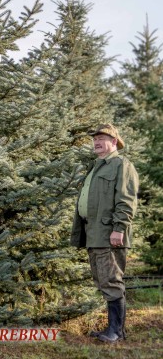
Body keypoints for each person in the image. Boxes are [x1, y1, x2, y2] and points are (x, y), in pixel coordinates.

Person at [70, 123, 139, 343]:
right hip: (94, 232)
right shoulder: (97, 166)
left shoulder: (121, 165)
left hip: (110, 234)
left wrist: (119, 228)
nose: (97, 142)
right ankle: (112, 329)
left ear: (114, 142)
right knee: (102, 280)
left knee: (111, 280)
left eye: (102, 138)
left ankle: (116, 332)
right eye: (95, 139)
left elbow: (127, 200)